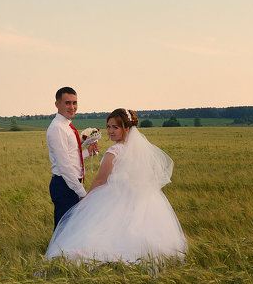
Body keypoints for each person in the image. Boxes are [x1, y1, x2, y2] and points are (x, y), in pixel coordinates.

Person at [45, 108, 187, 264]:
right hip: (136, 197)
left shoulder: (113, 151)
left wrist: (85, 200)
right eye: (108, 127)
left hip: (114, 196)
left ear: (126, 129)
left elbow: (100, 180)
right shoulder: (136, 151)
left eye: (115, 127)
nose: (110, 131)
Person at [46, 86, 97, 228]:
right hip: (65, 185)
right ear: (57, 104)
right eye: (67, 103)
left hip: (70, 184)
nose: (72, 107)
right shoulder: (57, 128)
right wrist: (81, 192)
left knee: (72, 229)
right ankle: (57, 251)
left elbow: (71, 157)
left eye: (75, 103)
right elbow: (64, 166)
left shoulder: (67, 126)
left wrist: (88, 152)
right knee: (64, 230)